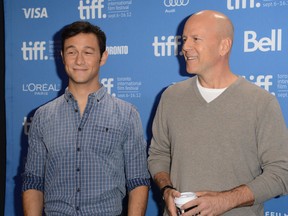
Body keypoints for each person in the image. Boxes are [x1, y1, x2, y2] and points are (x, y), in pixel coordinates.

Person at [148, 10, 288, 216]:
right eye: (184, 39)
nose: (185, 47)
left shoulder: (261, 102)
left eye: (196, 39)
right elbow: (158, 154)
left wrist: (225, 200)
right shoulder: (171, 97)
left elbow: (281, 173)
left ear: (224, 46)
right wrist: (166, 189)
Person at [22, 21, 150, 216]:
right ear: (62, 56)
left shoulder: (127, 114)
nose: (79, 60)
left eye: (88, 52)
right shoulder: (42, 116)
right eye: (72, 52)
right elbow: (33, 180)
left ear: (103, 57)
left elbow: (138, 180)